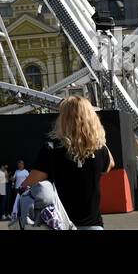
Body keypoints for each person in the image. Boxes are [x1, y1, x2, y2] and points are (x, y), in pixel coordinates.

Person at [24, 95, 113, 230]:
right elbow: (109, 165)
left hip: (62, 224)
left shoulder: (51, 149)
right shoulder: (101, 149)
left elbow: (28, 185)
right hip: (94, 225)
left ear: (63, 119)